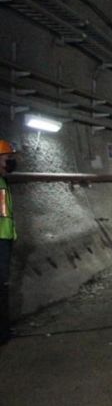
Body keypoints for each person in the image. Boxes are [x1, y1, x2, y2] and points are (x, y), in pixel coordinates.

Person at [0, 139, 18, 344]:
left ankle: (4, 330)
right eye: (7, 159)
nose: (10, 163)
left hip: (4, 240)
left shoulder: (3, 181)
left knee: (2, 286)